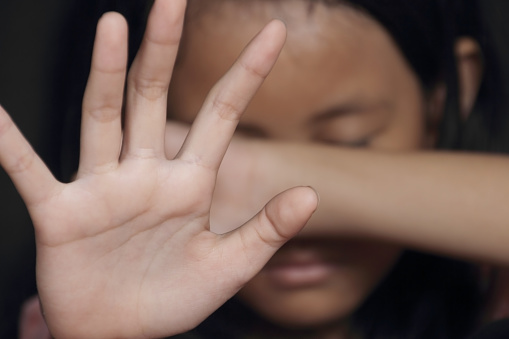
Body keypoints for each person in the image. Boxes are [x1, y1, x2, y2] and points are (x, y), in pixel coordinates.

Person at [3, 0, 509, 338]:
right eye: (222, 149)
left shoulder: (493, 299)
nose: (289, 220)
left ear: (447, 98)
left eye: (347, 143)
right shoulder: (72, 322)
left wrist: (251, 173)